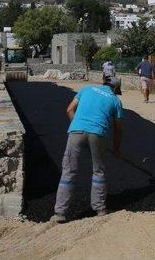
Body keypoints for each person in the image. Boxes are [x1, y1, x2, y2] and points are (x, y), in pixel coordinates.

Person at [51, 76, 123, 223]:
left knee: (69, 170)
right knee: (98, 170)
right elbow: (118, 130)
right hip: (98, 134)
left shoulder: (86, 89)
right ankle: (100, 209)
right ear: (115, 88)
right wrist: (116, 149)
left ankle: (60, 213)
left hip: (76, 131)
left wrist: (79, 125)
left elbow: (69, 109)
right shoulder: (115, 100)